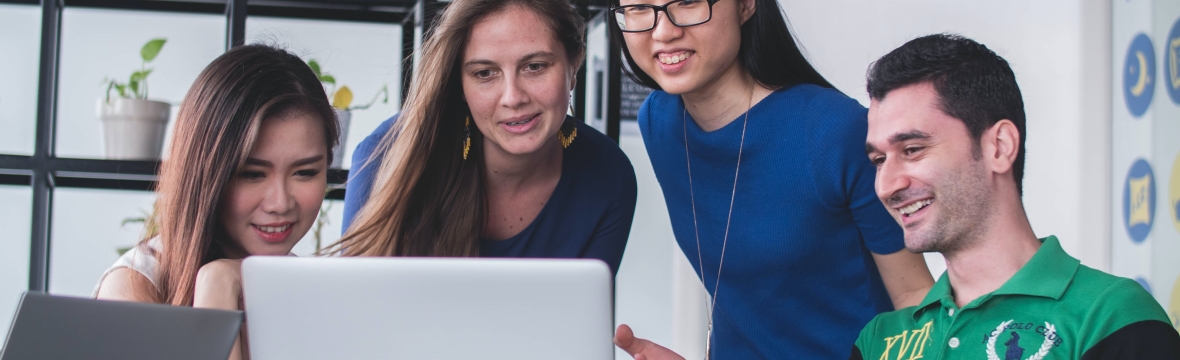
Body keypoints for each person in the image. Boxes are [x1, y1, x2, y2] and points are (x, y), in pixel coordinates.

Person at [609, 0, 935, 358]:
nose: (663, 32)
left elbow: (913, 299)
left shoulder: (835, 131)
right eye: (639, 7)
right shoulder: (659, 122)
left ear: (746, 5)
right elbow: (749, 300)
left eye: (688, 2)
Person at [852, 33, 1180, 359]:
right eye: (879, 160)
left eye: (912, 150)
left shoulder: (1111, 317)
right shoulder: (879, 340)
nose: (886, 185)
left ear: (999, 146)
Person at [333, 0, 637, 274]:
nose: (512, 97)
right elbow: (358, 314)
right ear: (460, 85)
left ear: (574, 65)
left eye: (535, 67)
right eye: (484, 73)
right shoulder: (389, 153)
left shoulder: (608, 175)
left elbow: (581, 323)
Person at [94, 44, 339, 360]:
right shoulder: (133, 288)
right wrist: (217, 289)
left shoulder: (314, 293)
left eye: (305, 172)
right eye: (252, 174)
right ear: (205, 174)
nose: (280, 203)